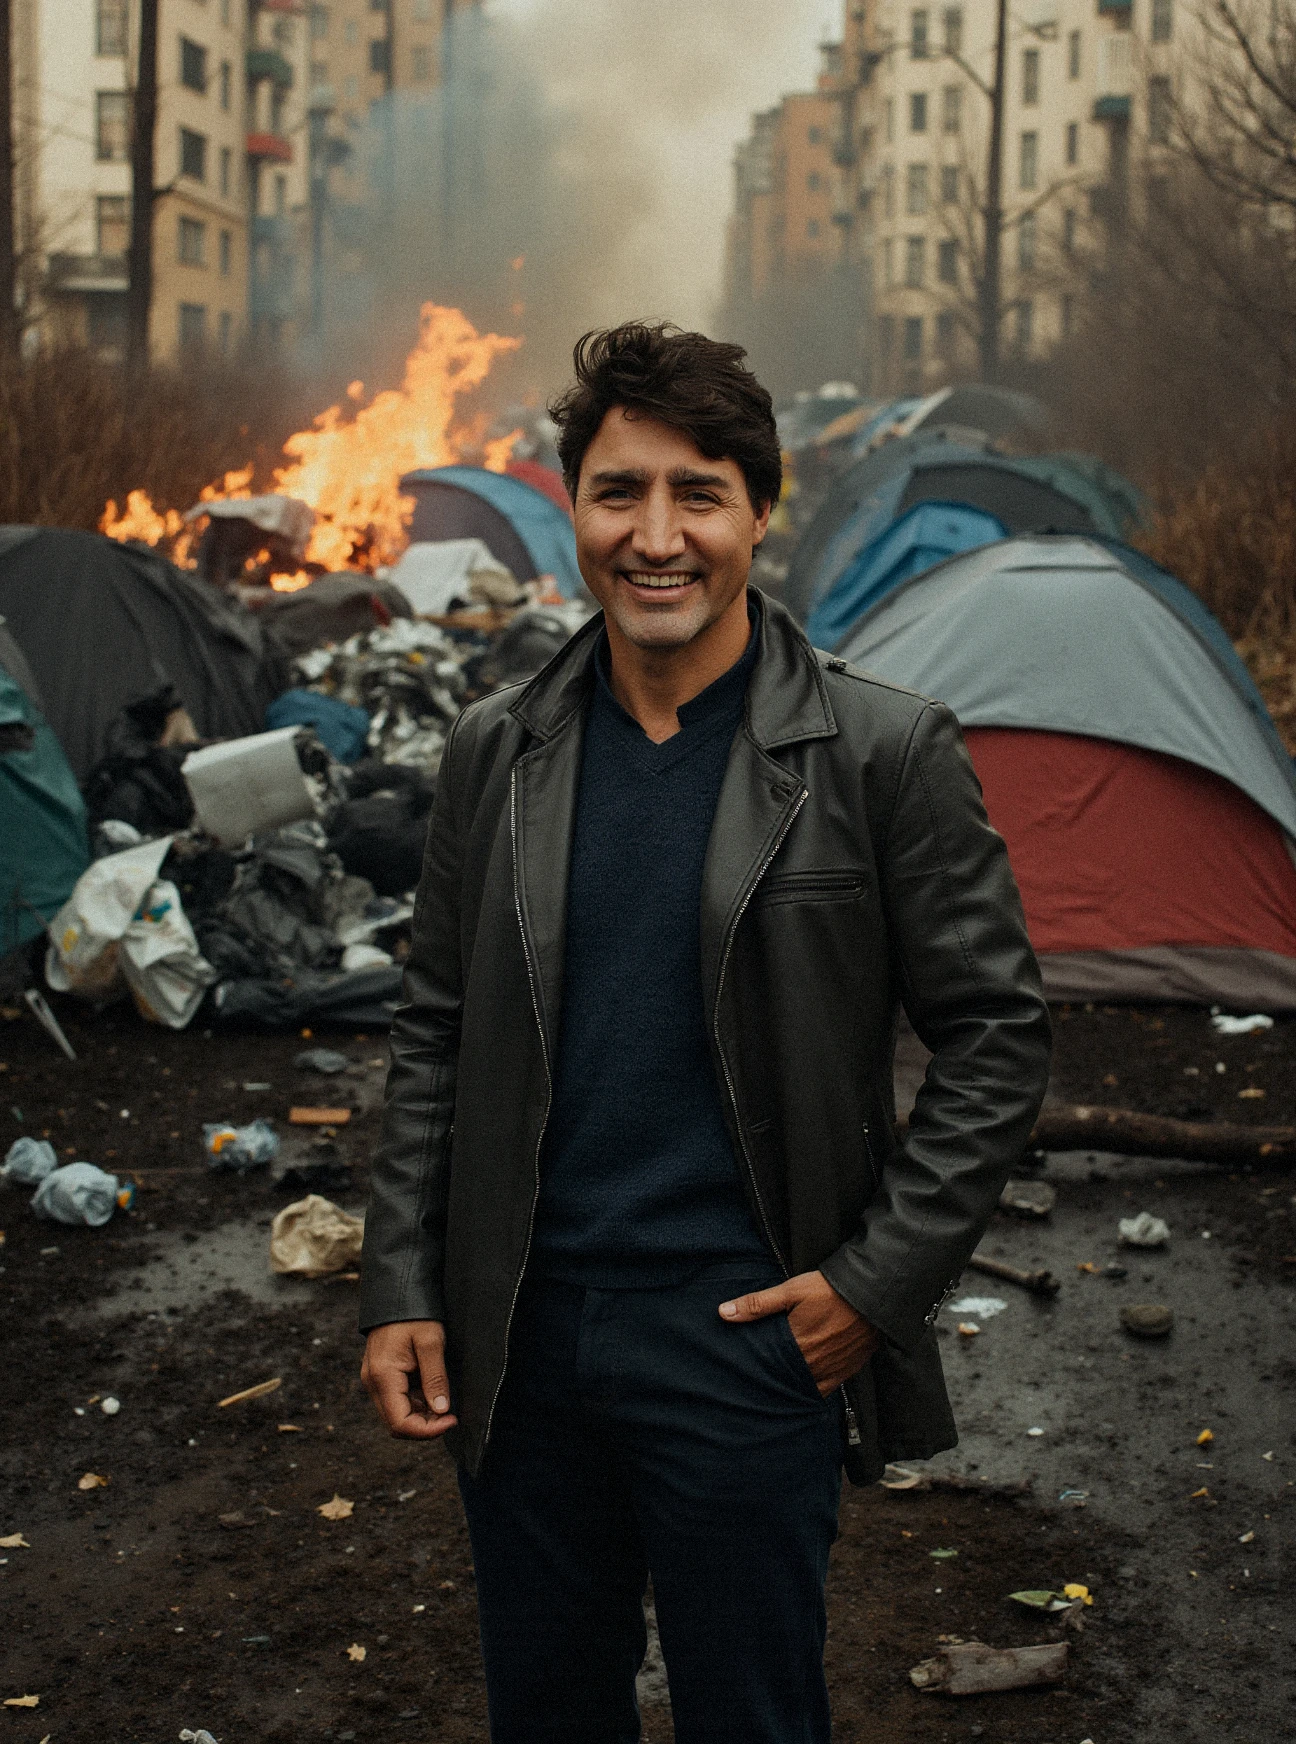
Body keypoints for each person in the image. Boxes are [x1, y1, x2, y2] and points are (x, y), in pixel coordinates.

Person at [359, 322, 1051, 1743]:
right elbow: (431, 1028)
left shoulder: (878, 752)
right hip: (524, 1344)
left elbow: (995, 1036)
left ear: (759, 512)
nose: (656, 537)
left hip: (746, 1343)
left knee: (754, 1716)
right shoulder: (500, 749)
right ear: (575, 512)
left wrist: (875, 1285)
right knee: (549, 1715)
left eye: (700, 494)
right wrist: (401, 1283)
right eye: (620, 494)